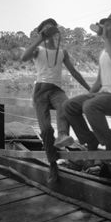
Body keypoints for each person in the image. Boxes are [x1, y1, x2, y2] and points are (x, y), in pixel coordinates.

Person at [21, 18, 90, 182]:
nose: (49, 29)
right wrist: (41, 37)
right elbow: (24, 57)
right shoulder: (37, 49)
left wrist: (91, 90)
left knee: (66, 104)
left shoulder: (62, 52)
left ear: (56, 30)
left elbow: (74, 72)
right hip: (40, 91)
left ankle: (63, 135)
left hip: (56, 89)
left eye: (51, 27)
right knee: (45, 130)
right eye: (45, 28)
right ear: (41, 32)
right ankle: (53, 165)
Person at [63, 11, 111, 155]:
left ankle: (109, 142)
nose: (104, 28)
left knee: (90, 106)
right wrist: (88, 95)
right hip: (103, 95)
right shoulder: (103, 52)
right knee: (69, 105)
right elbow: (100, 80)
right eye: (104, 25)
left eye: (109, 26)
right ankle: (90, 139)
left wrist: (105, 39)